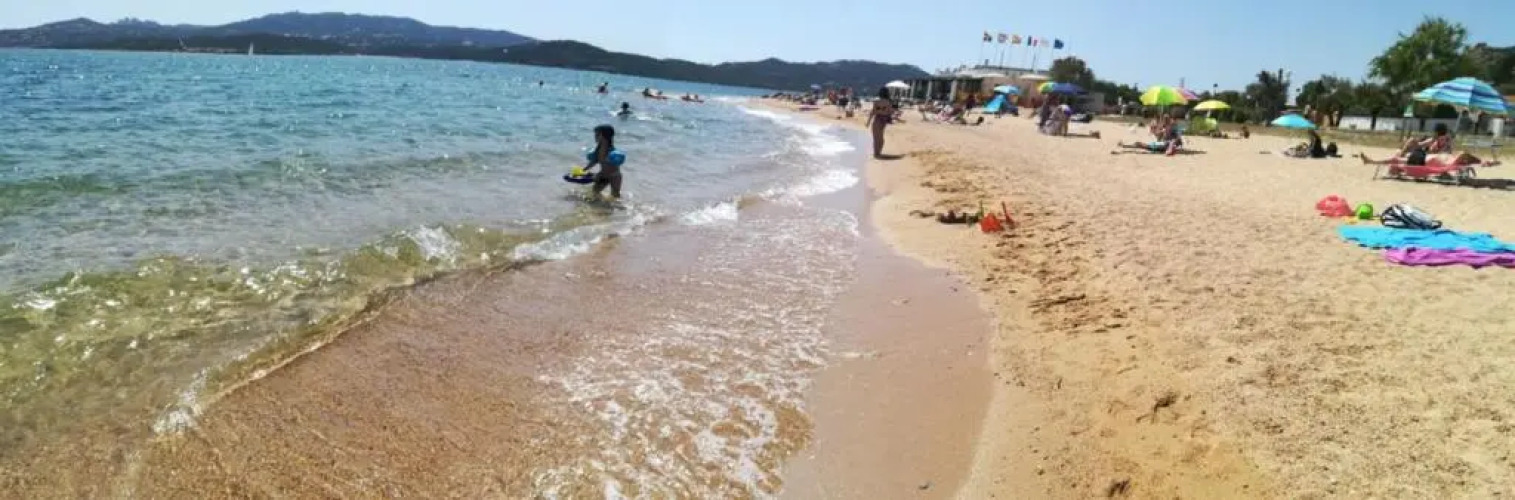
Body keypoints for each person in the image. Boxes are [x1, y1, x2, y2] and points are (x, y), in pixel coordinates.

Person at [583, 125, 623, 199]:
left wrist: (597, 175)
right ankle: (602, 204)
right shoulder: (597, 150)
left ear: (601, 135)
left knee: (615, 195)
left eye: (596, 134)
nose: (594, 137)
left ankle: (612, 205)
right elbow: (594, 161)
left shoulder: (612, 151)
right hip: (603, 175)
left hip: (614, 175)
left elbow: (613, 164)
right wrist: (584, 170)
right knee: (595, 192)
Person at [865, 87, 896, 158]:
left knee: (876, 139)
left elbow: (873, 112)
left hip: (877, 120)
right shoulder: (888, 102)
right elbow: (890, 112)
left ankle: (876, 153)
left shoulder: (876, 101)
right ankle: (877, 153)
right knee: (881, 139)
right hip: (883, 121)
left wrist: (868, 122)